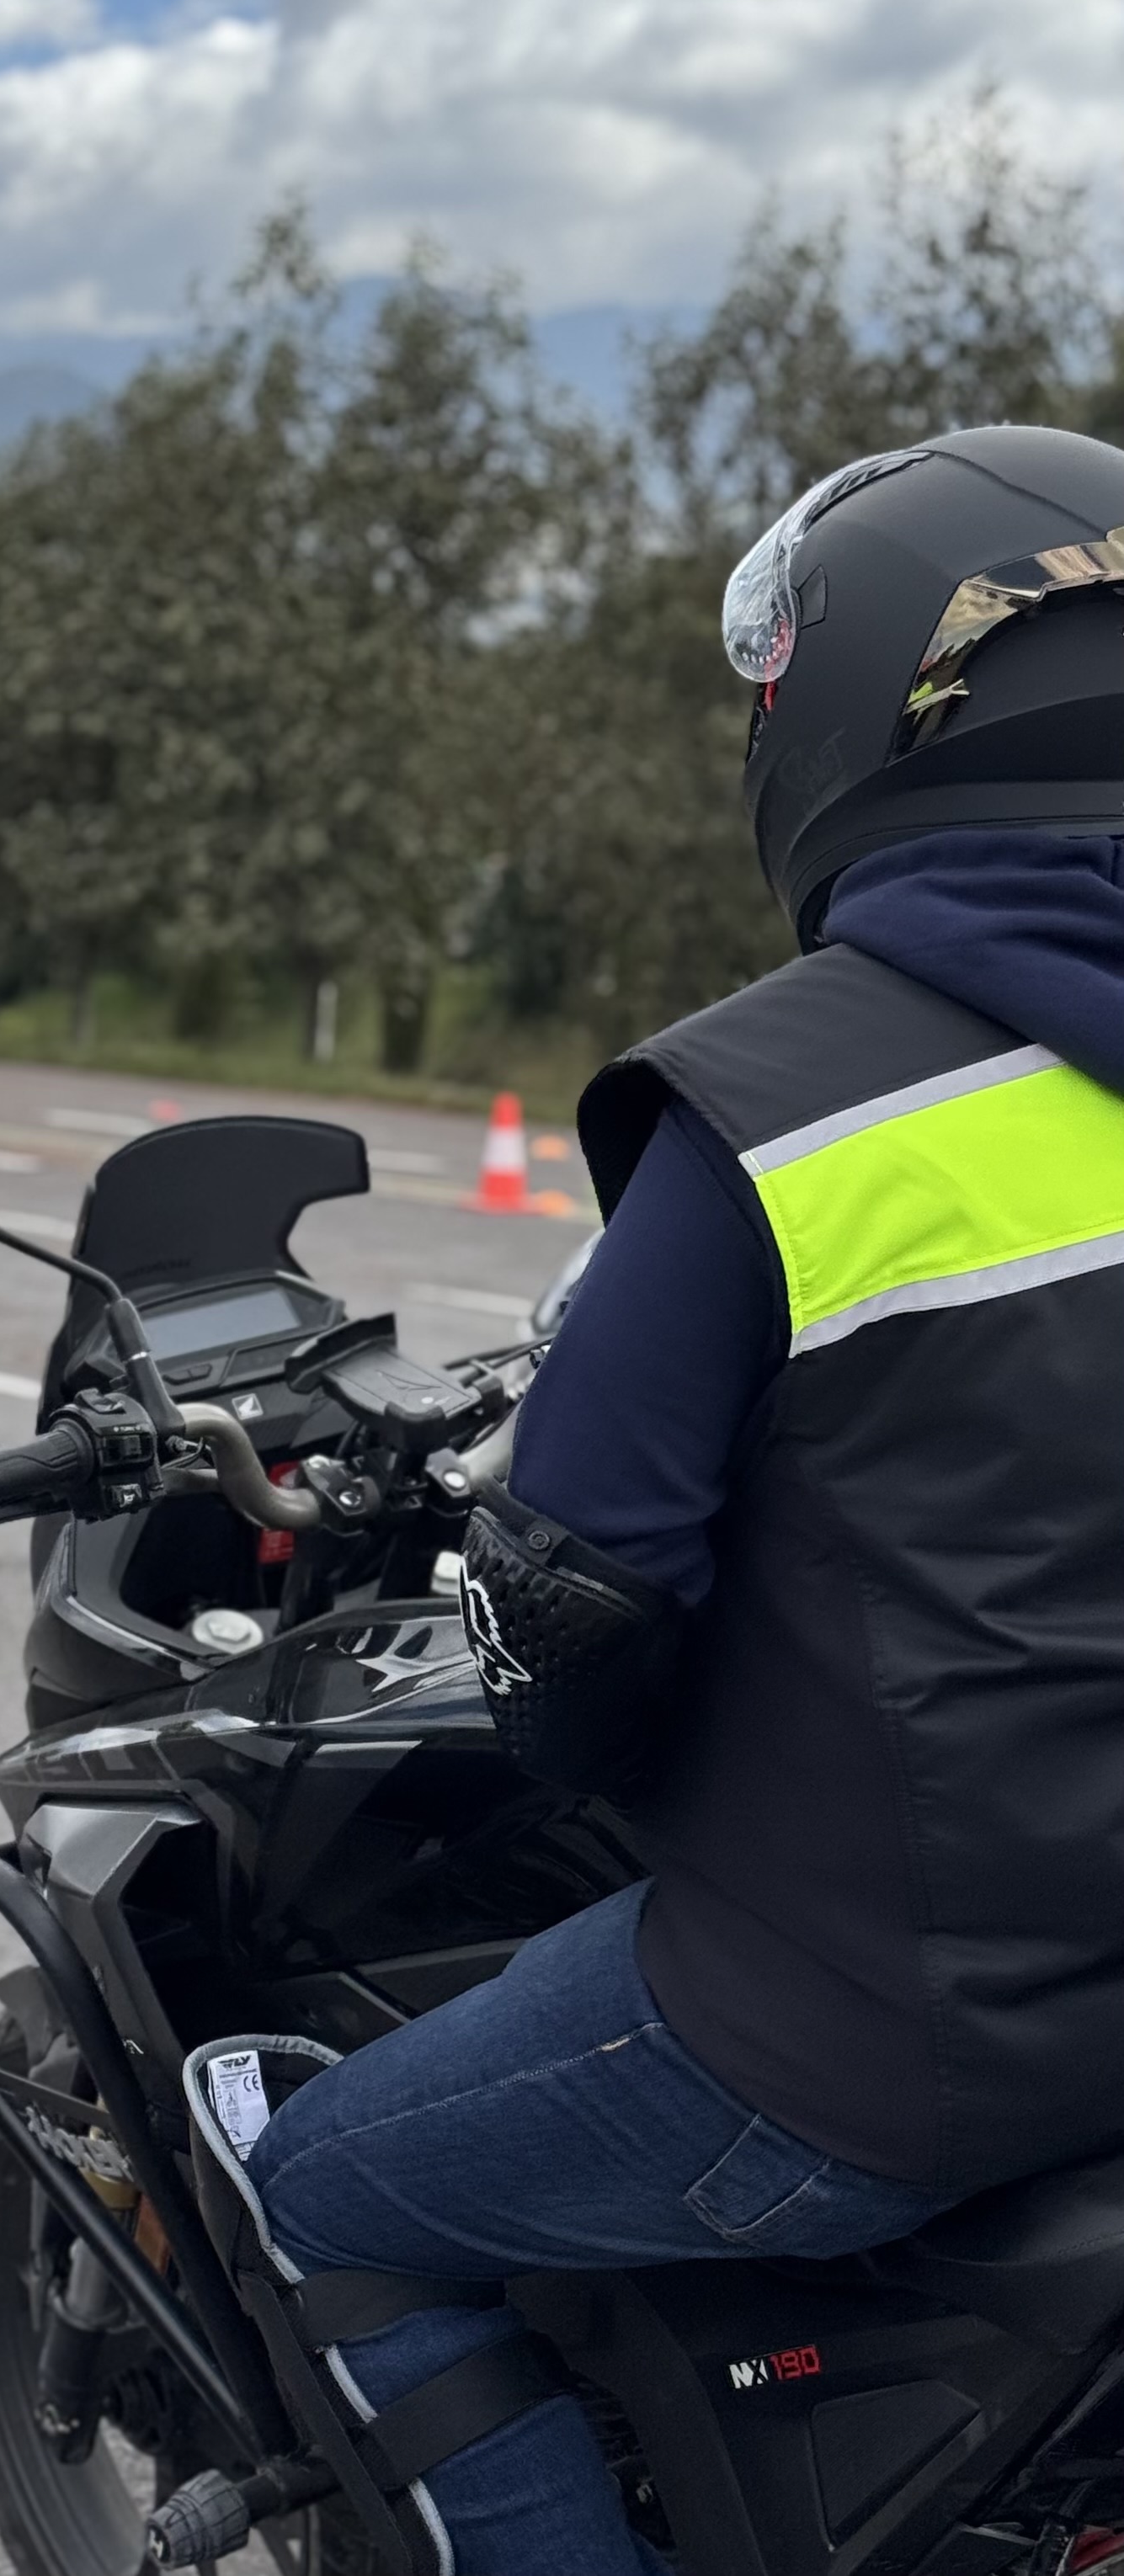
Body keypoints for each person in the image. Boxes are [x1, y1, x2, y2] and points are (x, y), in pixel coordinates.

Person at [218, 424, 1124, 2574]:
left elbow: (578, 1598)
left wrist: (594, 1750)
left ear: (850, 715)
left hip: (897, 2037)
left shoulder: (786, 1107)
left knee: (322, 2195)